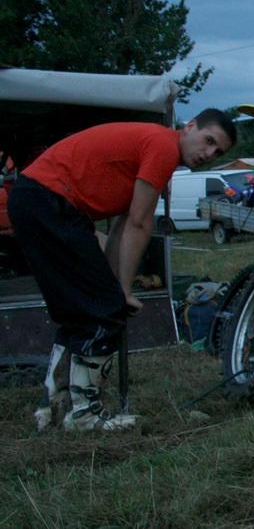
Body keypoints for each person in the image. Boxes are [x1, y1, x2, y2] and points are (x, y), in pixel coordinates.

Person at [8, 110, 236, 431]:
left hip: (37, 199)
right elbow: (140, 223)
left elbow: (121, 224)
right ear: (189, 127)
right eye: (208, 141)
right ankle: (83, 415)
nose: (209, 154)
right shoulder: (162, 146)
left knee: (81, 310)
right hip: (50, 201)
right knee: (101, 309)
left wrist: (116, 284)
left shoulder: (156, 148)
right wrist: (122, 293)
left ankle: (53, 407)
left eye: (218, 152)